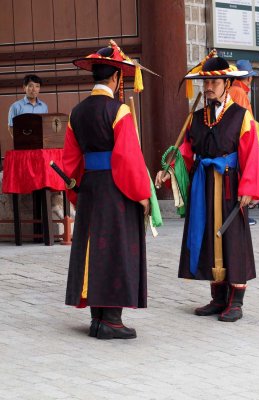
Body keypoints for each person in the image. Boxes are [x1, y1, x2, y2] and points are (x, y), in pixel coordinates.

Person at [155, 50, 259, 322]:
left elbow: (250, 153)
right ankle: (217, 298)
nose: (208, 87)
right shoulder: (197, 117)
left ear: (227, 84)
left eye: (214, 83)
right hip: (203, 186)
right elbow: (187, 150)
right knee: (208, 237)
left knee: (232, 240)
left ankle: (235, 301)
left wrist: (249, 188)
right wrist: (169, 169)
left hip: (230, 185)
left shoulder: (241, 116)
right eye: (205, 82)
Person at [62, 40, 152, 339]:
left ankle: (97, 319)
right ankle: (111, 320)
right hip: (116, 189)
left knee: (91, 249)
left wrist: (77, 193)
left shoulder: (76, 113)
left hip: (89, 187)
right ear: (115, 78)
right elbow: (127, 157)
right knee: (115, 248)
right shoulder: (119, 110)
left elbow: (70, 161)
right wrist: (142, 194)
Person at [228, 60, 259, 226]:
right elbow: (243, 121)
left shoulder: (233, 90)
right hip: (241, 142)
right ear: (247, 78)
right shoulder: (239, 92)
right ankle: (242, 215)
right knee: (244, 177)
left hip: (232, 143)